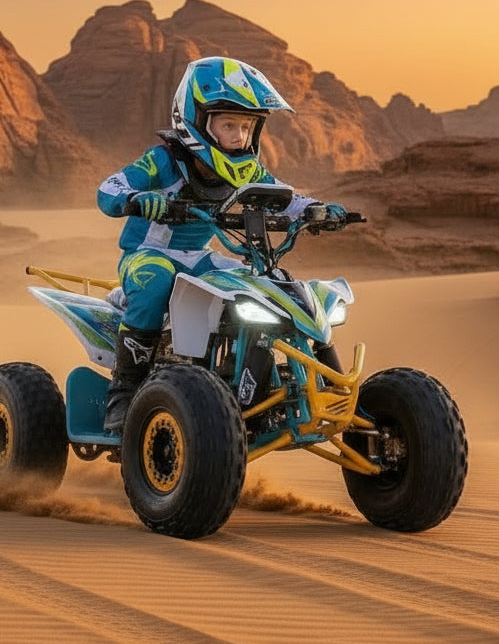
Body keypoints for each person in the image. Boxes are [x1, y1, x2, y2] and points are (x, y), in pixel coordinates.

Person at [96, 56, 348, 431]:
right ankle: (124, 392)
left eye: (246, 127)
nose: (239, 137)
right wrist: (135, 199)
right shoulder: (162, 161)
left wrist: (317, 209)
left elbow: (284, 196)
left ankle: (325, 388)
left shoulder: (246, 169)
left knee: (274, 285)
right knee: (156, 281)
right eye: (229, 124)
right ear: (197, 121)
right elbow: (109, 187)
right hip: (149, 256)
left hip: (200, 259)